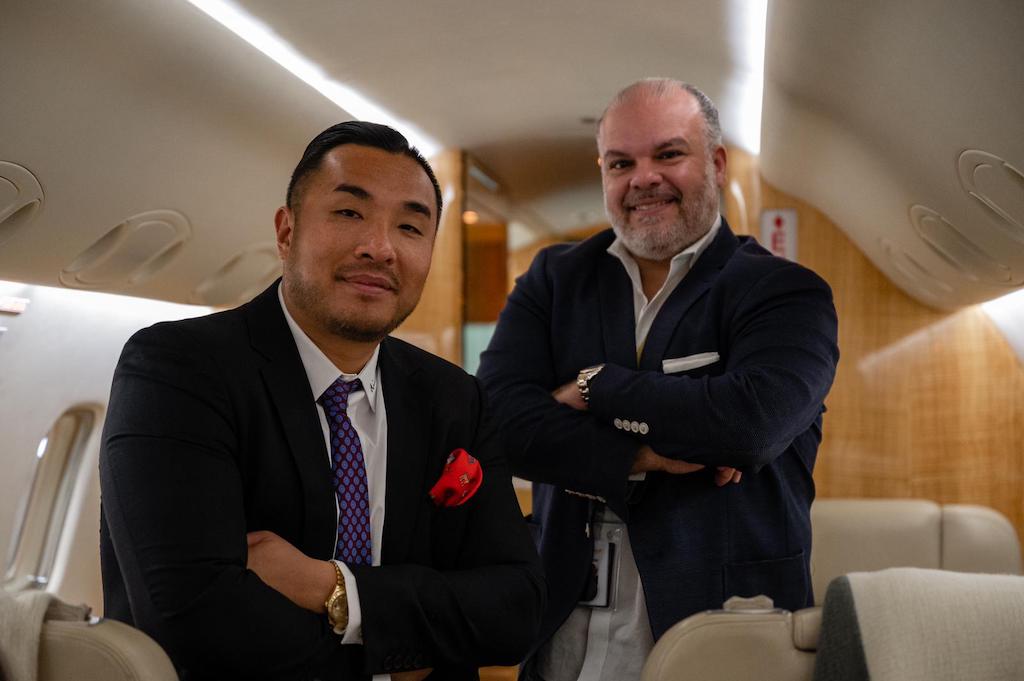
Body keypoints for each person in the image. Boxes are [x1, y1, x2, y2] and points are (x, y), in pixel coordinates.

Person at [99, 121, 544, 681]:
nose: (380, 248)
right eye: (349, 212)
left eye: (409, 227)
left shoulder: (455, 397)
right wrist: (401, 657)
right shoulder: (179, 369)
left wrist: (335, 590)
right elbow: (190, 619)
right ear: (287, 232)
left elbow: (516, 610)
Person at [477, 79, 839, 680]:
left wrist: (596, 387)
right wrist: (642, 454)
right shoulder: (555, 279)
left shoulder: (783, 291)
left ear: (716, 164)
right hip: (562, 633)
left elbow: (751, 423)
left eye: (668, 154)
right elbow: (496, 422)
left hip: (723, 635)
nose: (643, 178)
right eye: (621, 163)